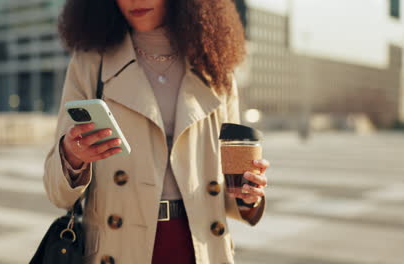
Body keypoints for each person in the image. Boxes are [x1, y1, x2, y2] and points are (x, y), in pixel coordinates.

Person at [43, 0, 270, 263]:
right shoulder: (89, 62)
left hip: (200, 248)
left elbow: (225, 185)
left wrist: (247, 196)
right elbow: (57, 192)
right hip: (119, 248)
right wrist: (72, 157)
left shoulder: (215, 63)